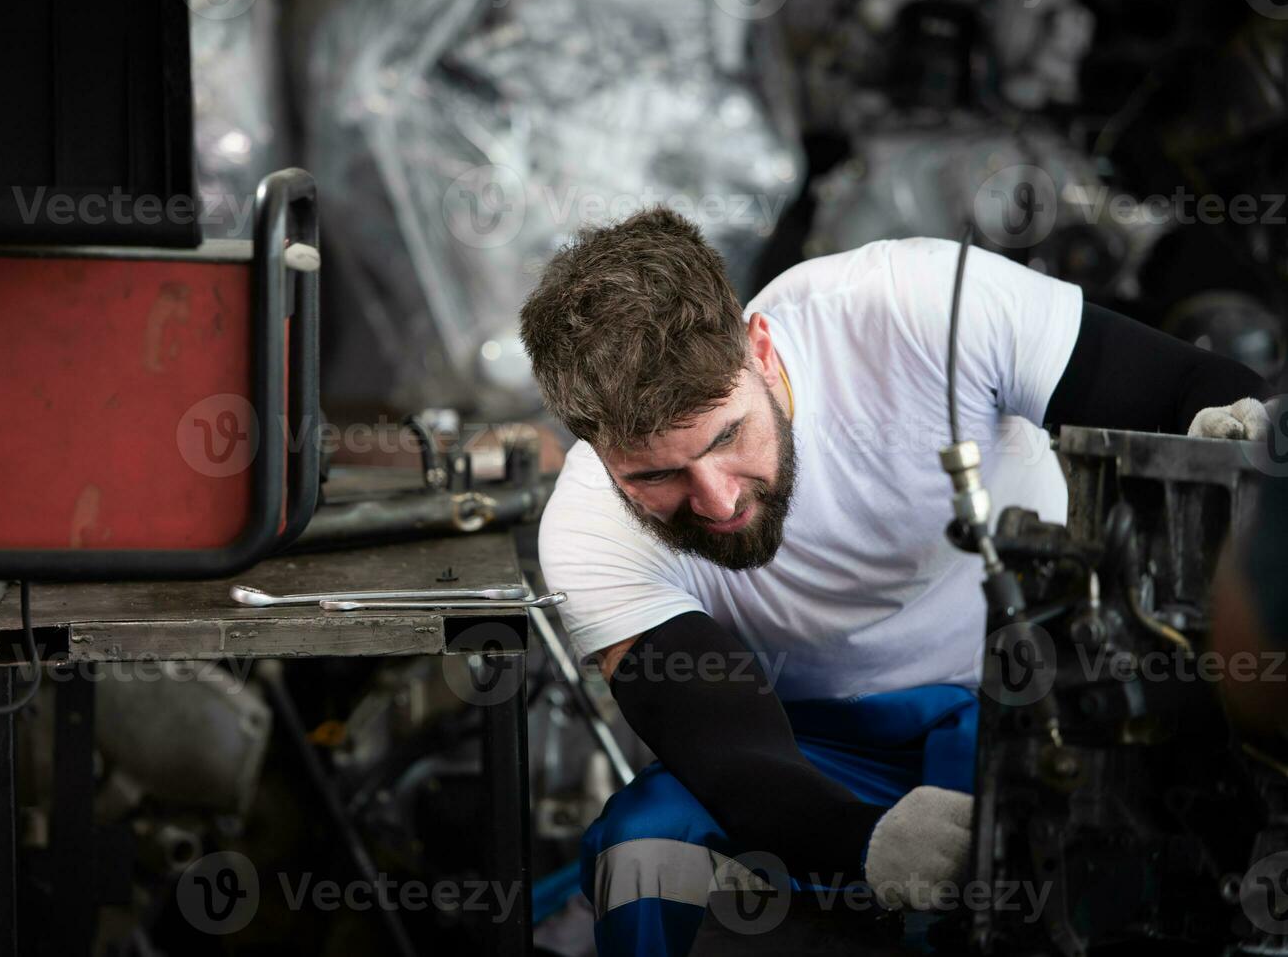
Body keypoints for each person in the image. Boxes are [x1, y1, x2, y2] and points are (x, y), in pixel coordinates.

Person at [518, 208, 1269, 957]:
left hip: (1028, 707)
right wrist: (863, 840)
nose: (718, 500)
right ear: (595, 448)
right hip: (812, 744)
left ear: (762, 347)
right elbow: (728, 753)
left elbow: (1191, 383)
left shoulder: (919, 308)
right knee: (643, 843)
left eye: (728, 437)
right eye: (656, 475)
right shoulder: (588, 531)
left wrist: (1224, 436)